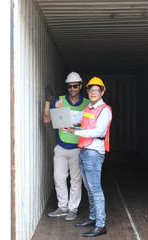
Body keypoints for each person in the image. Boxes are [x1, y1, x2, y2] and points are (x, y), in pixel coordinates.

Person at [61, 76, 112, 237]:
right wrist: (62, 113)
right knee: (89, 188)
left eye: (96, 90)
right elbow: (77, 119)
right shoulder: (89, 108)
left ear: (102, 92)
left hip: (94, 153)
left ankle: (100, 224)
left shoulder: (105, 110)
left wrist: (74, 131)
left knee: (95, 189)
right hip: (84, 151)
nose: (92, 92)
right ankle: (92, 218)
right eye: (90, 90)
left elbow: (99, 132)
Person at [43, 72, 90, 221]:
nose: (72, 89)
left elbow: (91, 127)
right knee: (58, 178)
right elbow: (46, 120)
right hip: (61, 147)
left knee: (76, 180)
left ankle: (73, 209)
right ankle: (62, 207)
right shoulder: (60, 100)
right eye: (69, 86)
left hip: (78, 147)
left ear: (80, 86)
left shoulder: (88, 104)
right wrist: (48, 102)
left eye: (75, 86)